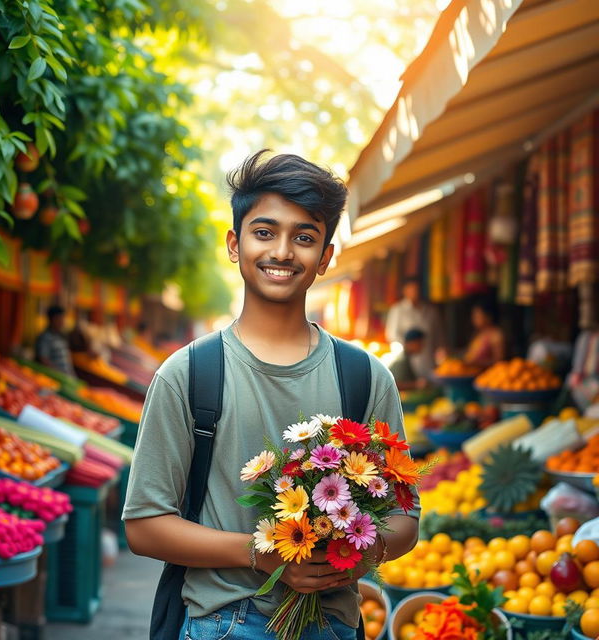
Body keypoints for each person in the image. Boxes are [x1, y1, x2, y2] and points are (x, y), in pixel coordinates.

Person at [123, 151, 419, 640]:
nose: (283, 251)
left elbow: (405, 520)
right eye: (265, 232)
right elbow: (144, 525)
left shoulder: (365, 376)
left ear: (325, 257)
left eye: (304, 237)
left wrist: (348, 550)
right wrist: (262, 555)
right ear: (235, 245)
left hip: (334, 623)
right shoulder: (189, 374)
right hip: (224, 622)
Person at [385, 277, 443, 379]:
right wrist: (410, 347)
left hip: (429, 363)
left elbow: (439, 338)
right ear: (405, 290)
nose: (415, 292)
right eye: (411, 288)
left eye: (417, 289)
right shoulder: (397, 310)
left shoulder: (430, 311)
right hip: (406, 364)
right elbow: (392, 336)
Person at [463, 299, 505, 370]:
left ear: (488, 316)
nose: (474, 319)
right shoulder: (479, 334)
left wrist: (475, 363)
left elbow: (498, 361)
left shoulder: (496, 335)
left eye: (477, 316)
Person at [34, 305, 75, 377]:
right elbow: (43, 360)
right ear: (52, 319)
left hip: (68, 378)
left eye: (63, 319)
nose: (62, 322)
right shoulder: (45, 338)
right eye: (60, 319)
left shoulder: (61, 336)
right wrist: (58, 374)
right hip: (56, 379)